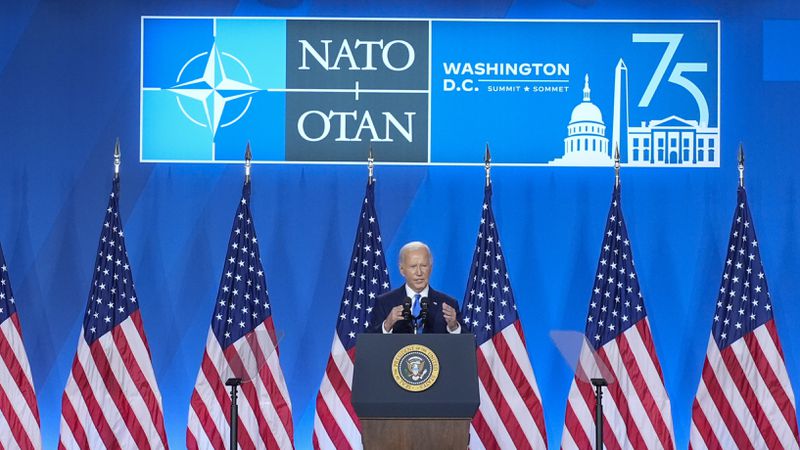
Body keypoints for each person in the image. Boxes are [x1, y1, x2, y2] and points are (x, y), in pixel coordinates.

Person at [368, 241, 461, 334]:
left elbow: (468, 345)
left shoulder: (448, 304)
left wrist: (454, 327)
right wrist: (387, 325)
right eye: (413, 267)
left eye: (424, 266)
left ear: (431, 268)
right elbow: (368, 343)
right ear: (402, 270)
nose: (419, 273)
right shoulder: (385, 303)